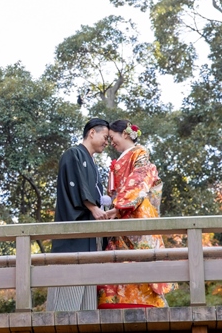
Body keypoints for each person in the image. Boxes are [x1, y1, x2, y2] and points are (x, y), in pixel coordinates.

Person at [97, 119, 174, 308]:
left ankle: (147, 302)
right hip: (122, 211)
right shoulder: (124, 157)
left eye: (112, 137)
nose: (111, 142)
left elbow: (140, 179)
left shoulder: (140, 153)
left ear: (124, 133)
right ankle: (120, 301)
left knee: (141, 255)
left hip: (135, 210)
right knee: (120, 256)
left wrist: (120, 205)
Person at [46, 118, 110, 311]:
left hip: (90, 234)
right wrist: (92, 207)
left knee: (88, 289)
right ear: (92, 132)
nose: (107, 142)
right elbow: (76, 184)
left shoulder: (91, 161)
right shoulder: (73, 154)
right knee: (70, 282)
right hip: (74, 230)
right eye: (105, 137)